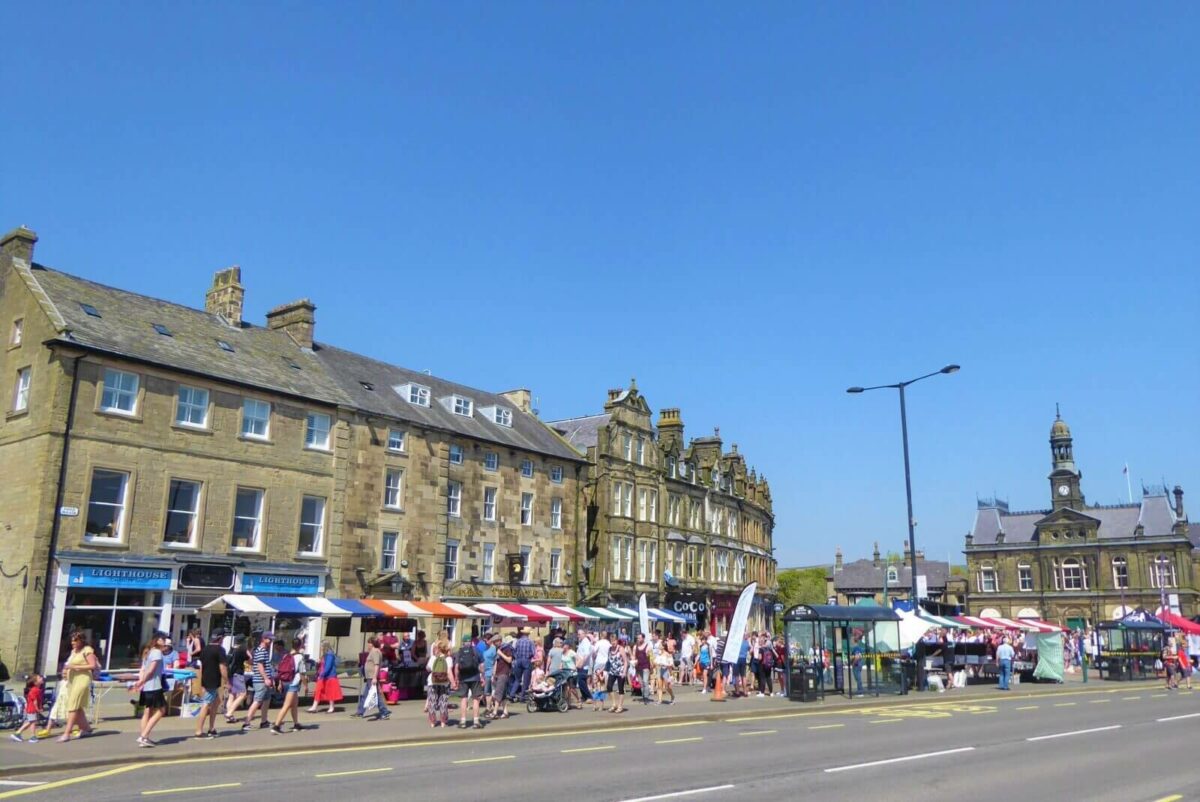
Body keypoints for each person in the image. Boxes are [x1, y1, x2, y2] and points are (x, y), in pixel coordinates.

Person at [131, 631, 169, 747]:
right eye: (163, 639)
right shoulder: (157, 652)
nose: (165, 641)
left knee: (148, 711)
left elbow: (143, 669)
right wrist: (141, 681)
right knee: (162, 710)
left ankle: (144, 737)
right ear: (157, 640)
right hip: (154, 686)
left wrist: (141, 682)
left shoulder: (148, 652)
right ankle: (144, 736)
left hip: (147, 687)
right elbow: (151, 670)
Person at [58, 632, 98, 742]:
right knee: (77, 705)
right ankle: (86, 729)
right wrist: (65, 671)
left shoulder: (87, 650)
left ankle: (67, 733)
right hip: (73, 680)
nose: (73, 643)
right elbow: (69, 664)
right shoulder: (73, 651)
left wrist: (74, 667)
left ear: (81, 641)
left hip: (82, 679)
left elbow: (92, 665)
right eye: (72, 640)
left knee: (73, 706)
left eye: (75, 640)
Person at [194, 629, 228, 739]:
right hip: (213, 680)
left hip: (207, 679)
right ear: (220, 638)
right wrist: (227, 681)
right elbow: (222, 667)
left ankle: (211, 728)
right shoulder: (220, 650)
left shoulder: (205, 649)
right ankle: (199, 731)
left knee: (217, 701)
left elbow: (202, 666)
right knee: (206, 703)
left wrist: (202, 682)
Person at [271, 638, 309, 733]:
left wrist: (279, 682)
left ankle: (296, 724)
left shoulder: (286, 655)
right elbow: (302, 673)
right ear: (300, 646)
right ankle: (276, 726)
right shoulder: (300, 657)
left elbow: (280, 670)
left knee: (294, 704)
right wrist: (305, 686)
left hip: (285, 681)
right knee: (287, 705)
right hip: (293, 683)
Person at [241, 631, 276, 731]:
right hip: (261, 680)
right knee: (257, 701)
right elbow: (260, 666)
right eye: (269, 639)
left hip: (264, 680)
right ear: (263, 639)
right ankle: (246, 723)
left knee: (266, 700)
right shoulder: (261, 650)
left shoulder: (264, 650)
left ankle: (264, 721)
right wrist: (266, 678)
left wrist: (270, 678)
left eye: (272, 640)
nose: (271, 641)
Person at [354, 637, 390, 720]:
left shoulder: (375, 652)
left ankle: (384, 712)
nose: (368, 645)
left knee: (376, 694)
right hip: (369, 677)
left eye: (369, 643)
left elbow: (376, 665)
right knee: (366, 695)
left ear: (372, 644)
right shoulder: (373, 652)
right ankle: (360, 712)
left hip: (372, 677)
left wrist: (374, 677)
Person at [454, 635, 484, 729]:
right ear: (471, 642)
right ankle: (476, 721)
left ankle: (463, 721)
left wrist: (456, 678)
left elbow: (456, 667)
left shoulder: (459, 652)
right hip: (475, 678)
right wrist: (482, 676)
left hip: (463, 678)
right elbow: (482, 665)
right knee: (476, 699)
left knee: (464, 699)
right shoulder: (476, 650)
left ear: (463, 642)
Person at [426, 642, 454, 727]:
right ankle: (443, 722)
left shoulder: (433, 658)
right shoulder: (448, 659)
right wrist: (453, 682)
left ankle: (432, 722)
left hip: (432, 681)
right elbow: (449, 672)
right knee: (443, 701)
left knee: (432, 701)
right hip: (444, 682)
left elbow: (428, 668)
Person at [309, 641, 343, 713]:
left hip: (329, 676)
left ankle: (331, 707)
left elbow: (328, 666)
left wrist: (321, 674)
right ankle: (314, 706)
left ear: (325, 646)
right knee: (319, 690)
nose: (320, 648)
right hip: (324, 676)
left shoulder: (329, 655)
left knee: (330, 691)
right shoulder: (325, 655)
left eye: (321, 646)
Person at [224, 635, 251, 723]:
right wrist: (247, 651)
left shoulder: (231, 650)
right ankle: (229, 713)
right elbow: (250, 660)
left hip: (230, 674)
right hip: (238, 674)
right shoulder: (242, 650)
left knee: (232, 694)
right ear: (243, 642)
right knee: (243, 694)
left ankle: (229, 716)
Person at [11, 675, 45, 743]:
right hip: (32, 709)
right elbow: (35, 701)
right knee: (32, 722)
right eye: (39, 678)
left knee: (29, 722)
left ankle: (18, 733)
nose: (41, 678)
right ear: (35, 682)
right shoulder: (35, 690)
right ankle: (32, 736)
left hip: (30, 709)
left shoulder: (36, 689)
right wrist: (38, 709)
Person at [490, 634, 513, 719]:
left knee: (498, 693)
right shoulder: (498, 649)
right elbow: (496, 662)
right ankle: (505, 712)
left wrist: (501, 654)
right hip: (498, 673)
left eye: (495, 642)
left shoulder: (507, 648)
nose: (495, 644)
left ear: (499, 641)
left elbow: (509, 660)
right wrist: (494, 674)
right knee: (503, 694)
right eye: (494, 642)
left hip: (504, 672)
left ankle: (495, 712)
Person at [509, 628, 535, 699]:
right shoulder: (530, 642)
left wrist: (517, 657)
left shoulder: (518, 641)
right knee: (526, 680)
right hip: (527, 660)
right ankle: (522, 696)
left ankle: (512, 693)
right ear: (528, 634)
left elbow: (514, 651)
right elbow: (533, 653)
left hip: (518, 660)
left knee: (517, 679)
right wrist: (529, 656)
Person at [607, 634, 629, 713]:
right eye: (612, 641)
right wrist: (602, 670)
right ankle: (614, 704)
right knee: (609, 686)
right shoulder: (609, 649)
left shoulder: (621, 649)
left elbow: (625, 661)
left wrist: (624, 672)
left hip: (620, 671)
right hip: (612, 671)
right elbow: (608, 661)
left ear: (617, 641)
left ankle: (620, 706)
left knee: (620, 689)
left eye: (614, 641)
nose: (613, 643)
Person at [633, 633, 652, 704]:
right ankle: (644, 696)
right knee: (641, 683)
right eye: (637, 638)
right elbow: (633, 656)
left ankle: (646, 697)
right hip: (638, 667)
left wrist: (652, 666)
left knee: (645, 681)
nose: (638, 639)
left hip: (646, 666)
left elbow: (650, 656)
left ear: (643, 638)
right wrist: (633, 662)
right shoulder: (635, 647)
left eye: (639, 638)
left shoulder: (648, 646)